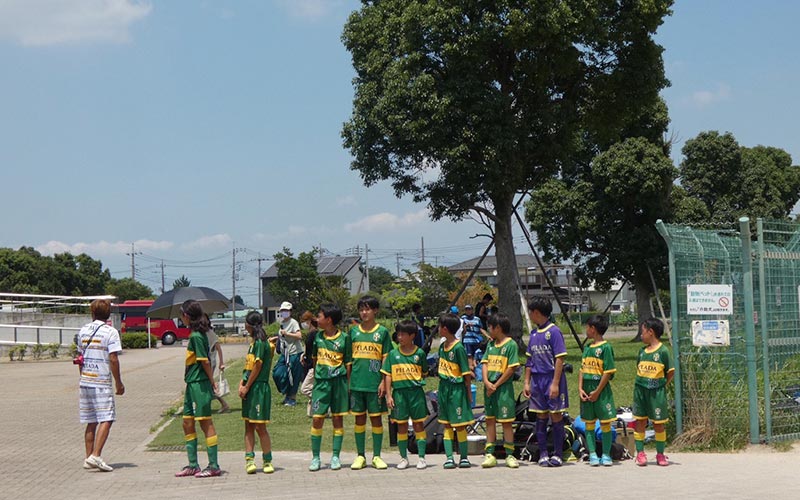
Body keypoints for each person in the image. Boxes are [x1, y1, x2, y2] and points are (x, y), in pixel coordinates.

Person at [175, 300, 221, 478]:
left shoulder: (196, 336)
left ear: (186, 316)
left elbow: (205, 361)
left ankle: (214, 465)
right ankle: (193, 464)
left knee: (205, 422)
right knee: (187, 422)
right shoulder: (194, 334)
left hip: (199, 384)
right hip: (191, 384)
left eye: (181, 315)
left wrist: (212, 381)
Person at [77, 299, 124, 472]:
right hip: (101, 380)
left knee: (91, 420)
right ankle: (96, 455)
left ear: (92, 313)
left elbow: (79, 357)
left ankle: (88, 457)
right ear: (108, 314)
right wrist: (118, 382)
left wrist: (82, 376)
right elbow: (113, 358)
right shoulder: (110, 332)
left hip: (85, 380)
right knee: (107, 417)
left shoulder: (83, 330)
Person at [522, 296, 569, 467]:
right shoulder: (534, 334)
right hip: (537, 380)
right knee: (540, 416)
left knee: (556, 416)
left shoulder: (554, 331)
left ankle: (557, 454)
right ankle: (542, 453)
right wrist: (527, 382)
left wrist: (555, 383)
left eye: (530, 312)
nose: (529, 315)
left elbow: (559, 359)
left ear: (536, 312)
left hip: (551, 379)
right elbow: (529, 361)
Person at [349, 295, 393, 470]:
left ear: (375, 311)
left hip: (375, 384)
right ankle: (360, 456)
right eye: (361, 309)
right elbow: (349, 361)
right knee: (359, 420)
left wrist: (383, 381)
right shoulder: (353, 332)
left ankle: (376, 456)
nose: (364, 312)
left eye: (367, 309)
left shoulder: (382, 332)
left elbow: (386, 360)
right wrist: (348, 383)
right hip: (357, 384)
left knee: (376, 420)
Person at [309, 303, 352, 472]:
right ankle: (315, 457)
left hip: (339, 383)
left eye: (319, 316)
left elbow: (348, 363)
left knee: (337, 419)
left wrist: (347, 385)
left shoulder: (344, 338)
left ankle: (335, 456)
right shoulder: (317, 337)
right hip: (321, 383)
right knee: (317, 418)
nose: (316, 319)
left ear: (328, 319)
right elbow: (314, 359)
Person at [382, 320, 429, 470]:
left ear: (412, 336)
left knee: (418, 424)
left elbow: (424, 373)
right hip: (399, 395)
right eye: (398, 334)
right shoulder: (392, 354)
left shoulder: (420, 353)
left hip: (416, 394)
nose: (399, 337)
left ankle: (421, 458)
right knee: (401, 426)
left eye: (403, 334)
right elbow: (387, 376)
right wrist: (389, 395)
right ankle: (403, 458)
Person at [480, 312, 520, 469]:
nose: (488, 329)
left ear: (497, 328)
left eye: (490, 326)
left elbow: (511, 368)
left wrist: (496, 385)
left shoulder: (511, 345)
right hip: (488, 389)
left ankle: (510, 454)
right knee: (490, 420)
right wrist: (486, 381)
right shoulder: (490, 345)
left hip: (503, 390)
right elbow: (484, 363)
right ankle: (490, 454)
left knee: (506, 422)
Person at [240, 311, 278, 474]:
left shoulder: (261, 343)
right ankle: (249, 460)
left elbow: (257, 366)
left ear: (249, 325)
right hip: (249, 388)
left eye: (245, 323)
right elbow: (248, 367)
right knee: (248, 425)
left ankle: (267, 460)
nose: (245, 326)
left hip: (258, 389)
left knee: (260, 427)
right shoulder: (254, 343)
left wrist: (247, 386)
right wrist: (242, 383)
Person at [633, 317, 674, 467]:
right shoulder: (642, 351)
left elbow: (670, 372)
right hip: (640, 391)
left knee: (658, 424)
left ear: (651, 332)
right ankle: (640, 453)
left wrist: (661, 384)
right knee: (640, 421)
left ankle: (660, 454)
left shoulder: (663, 351)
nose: (641, 335)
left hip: (656, 393)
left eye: (643, 332)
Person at [436, 312, 474, 469]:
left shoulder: (458, 348)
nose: (438, 329)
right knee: (446, 424)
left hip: (457, 390)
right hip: (444, 388)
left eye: (439, 326)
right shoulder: (441, 347)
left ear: (445, 329)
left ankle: (464, 457)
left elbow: (466, 374)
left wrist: (468, 393)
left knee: (459, 425)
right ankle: (449, 457)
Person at [578, 314, 616, 467]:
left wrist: (598, 391)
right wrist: (580, 388)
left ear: (593, 329)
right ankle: (592, 454)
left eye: (587, 327)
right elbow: (582, 369)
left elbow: (608, 372)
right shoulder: (587, 348)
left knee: (605, 424)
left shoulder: (606, 348)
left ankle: (606, 454)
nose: (585, 330)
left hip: (601, 392)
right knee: (589, 424)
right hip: (586, 390)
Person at [273, 301, 304, 407]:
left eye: (286, 310)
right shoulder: (282, 323)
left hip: (294, 353)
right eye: (282, 311)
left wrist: (287, 333)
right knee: (278, 373)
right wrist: (276, 338)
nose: (284, 312)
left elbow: (299, 335)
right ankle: (287, 393)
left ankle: (292, 397)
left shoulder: (293, 322)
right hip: (284, 354)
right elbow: (283, 336)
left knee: (293, 376)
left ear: (290, 311)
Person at [204, 314, 230, 414]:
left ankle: (223, 403)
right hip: (208, 361)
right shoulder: (202, 333)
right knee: (208, 384)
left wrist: (222, 362)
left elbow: (218, 347)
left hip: (210, 361)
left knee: (209, 384)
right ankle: (223, 404)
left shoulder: (210, 333)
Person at [299, 310, 320, 417]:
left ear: (309, 321)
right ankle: (313, 411)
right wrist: (304, 355)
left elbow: (314, 351)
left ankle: (321, 400)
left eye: (304, 321)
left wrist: (308, 359)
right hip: (310, 363)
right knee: (313, 387)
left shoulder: (314, 333)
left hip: (313, 366)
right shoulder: (312, 333)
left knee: (305, 388)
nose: (303, 324)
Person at [460, 304, 484, 372]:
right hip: (467, 340)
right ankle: (471, 369)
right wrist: (466, 326)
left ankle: (477, 369)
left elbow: (481, 329)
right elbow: (461, 329)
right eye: (466, 309)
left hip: (476, 340)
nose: (468, 311)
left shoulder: (477, 319)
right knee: (469, 355)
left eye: (469, 309)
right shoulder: (463, 318)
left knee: (476, 355)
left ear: (472, 310)